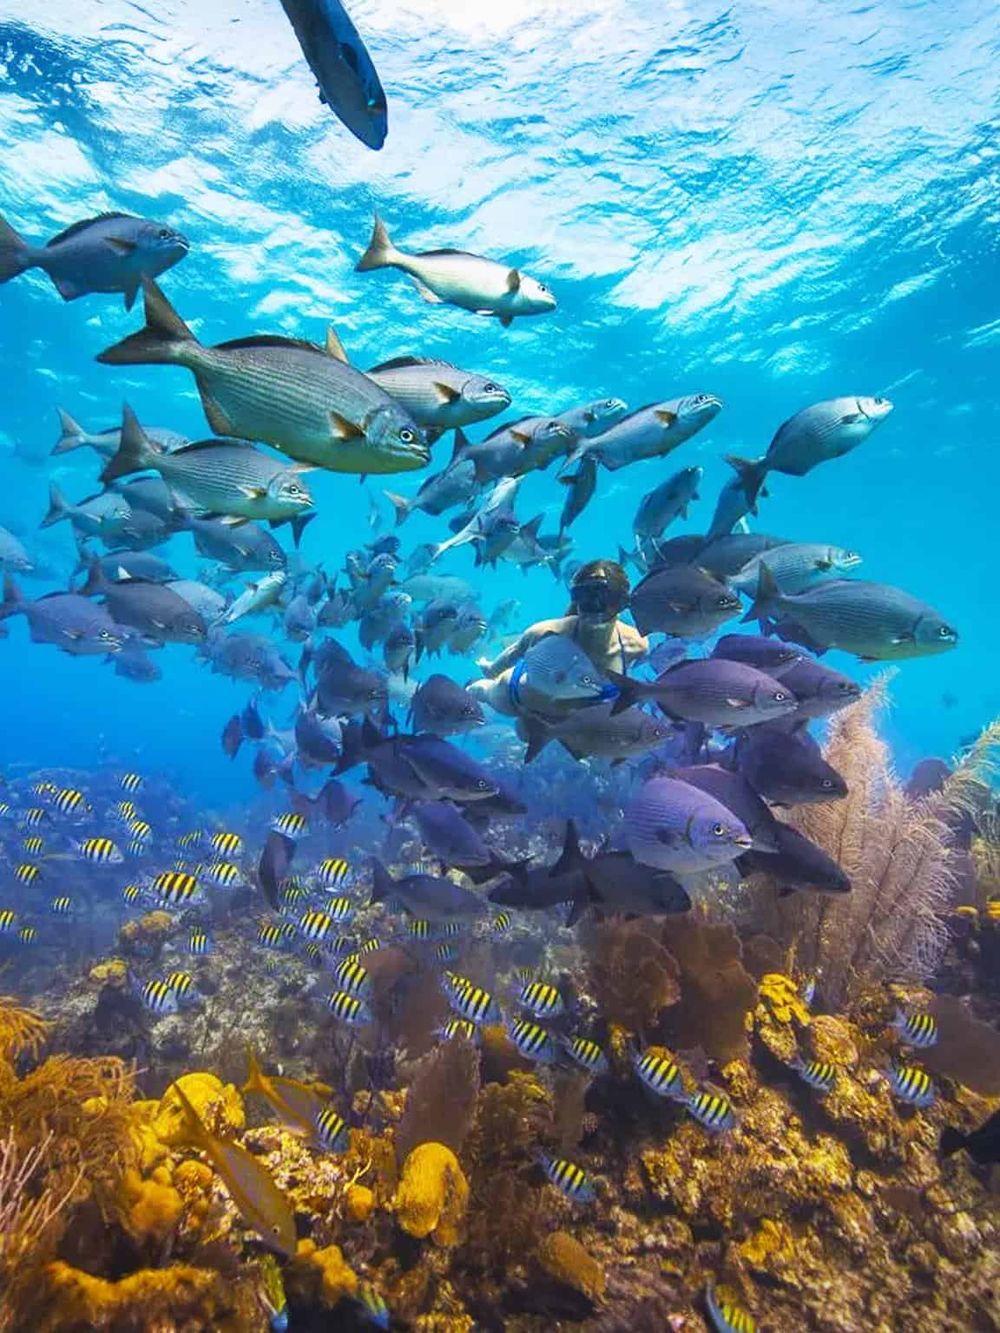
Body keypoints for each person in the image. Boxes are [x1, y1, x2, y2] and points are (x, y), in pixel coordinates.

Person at [469, 559, 648, 718]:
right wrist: (489, 668)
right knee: (483, 690)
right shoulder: (545, 632)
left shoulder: (636, 645)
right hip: (515, 700)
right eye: (585, 596)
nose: (595, 606)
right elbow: (503, 663)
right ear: (575, 599)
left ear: (623, 602)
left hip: (570, 728)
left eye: (606, 597)